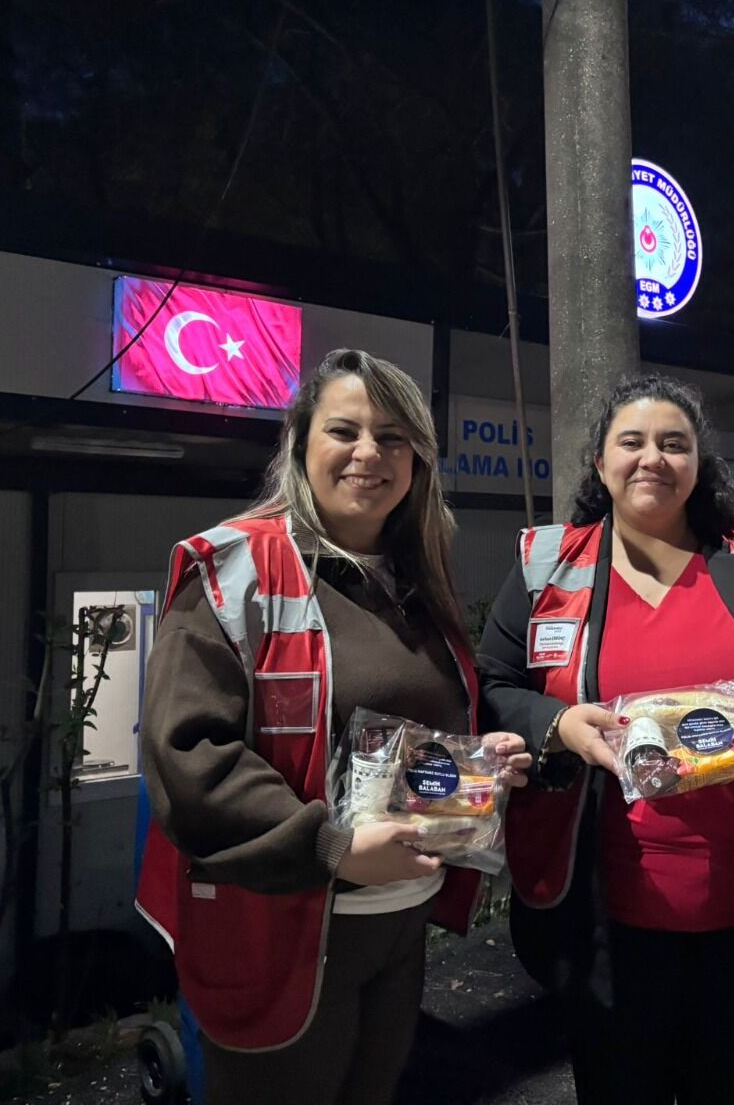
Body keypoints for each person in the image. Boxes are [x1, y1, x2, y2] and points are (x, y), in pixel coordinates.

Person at [135, 348, 531, 1105]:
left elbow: (398, 734)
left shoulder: (414, 579)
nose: (368, 454)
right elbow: (188, 761)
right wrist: (335, 848)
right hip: (282, 928)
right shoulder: (231, 569)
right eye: (344, 430)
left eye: (392, 436)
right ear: (300, 442)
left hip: (396, 925)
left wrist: (476, 767)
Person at [477, 373, 734, 1105]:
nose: (653, 458)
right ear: (601, 462)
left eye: (674, 444)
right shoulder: (548, 568)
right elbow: (493, 683)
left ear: (699, 463)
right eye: (633, 441)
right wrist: (558, 726)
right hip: (606, 923)